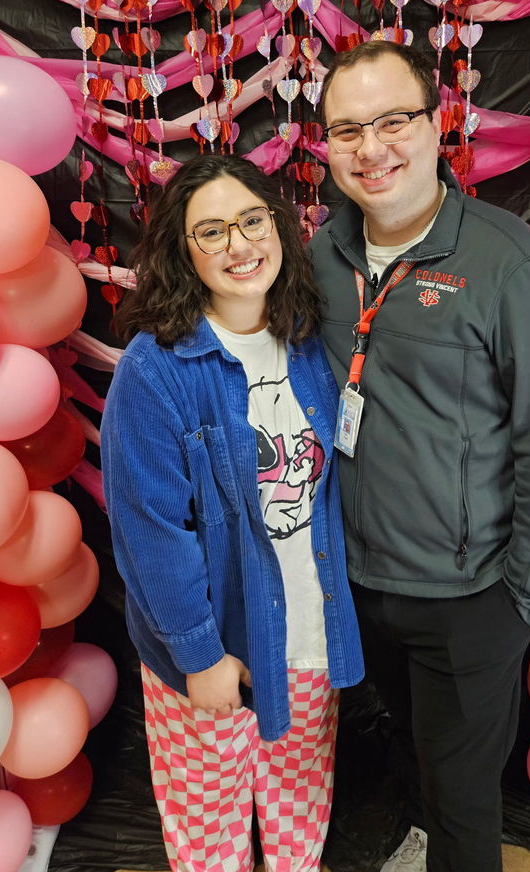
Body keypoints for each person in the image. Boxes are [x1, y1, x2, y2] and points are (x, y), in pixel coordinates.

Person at [310, 41, 530, 872]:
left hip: (470, 600)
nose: (372, 148)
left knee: (466, 804)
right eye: (347, 129)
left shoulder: (514, 265)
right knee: (412, 757)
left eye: (394, 121)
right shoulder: (320, 256)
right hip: (361, 583)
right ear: (326, 146)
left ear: (439, 127)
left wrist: (520, 597)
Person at [100, 154, 364, 872]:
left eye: (251, 221)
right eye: (210, 232)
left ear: (279, 226)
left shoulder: (312, 341)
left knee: (298, 805)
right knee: (210, 827)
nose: (238, 246)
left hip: (310, 626)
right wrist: (200, 654)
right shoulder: (155, 369)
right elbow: (150, 529)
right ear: (184, 253)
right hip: (219, 645)